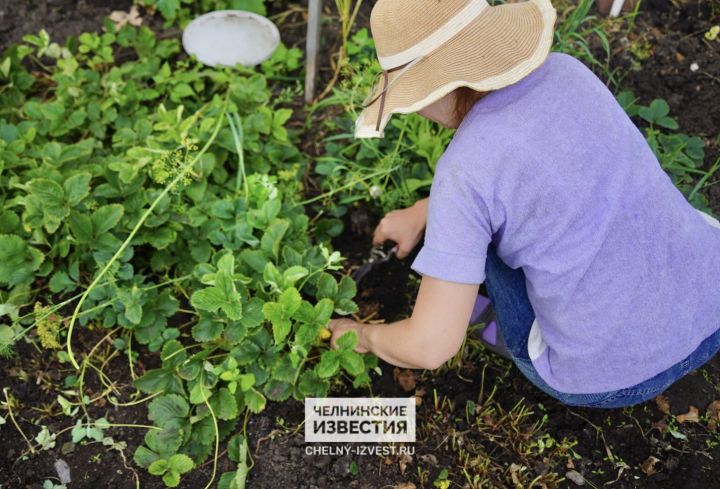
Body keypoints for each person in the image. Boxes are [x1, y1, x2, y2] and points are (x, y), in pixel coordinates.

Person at [327, 0, 720, 408]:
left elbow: (430, 347)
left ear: (429, 88)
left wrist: (362, 335)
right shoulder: (568, 71)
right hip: (710, 305)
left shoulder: (464, 169)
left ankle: (488, 323)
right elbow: (539, 174)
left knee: (489, 246)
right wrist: (426, 211)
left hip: (609, 379)